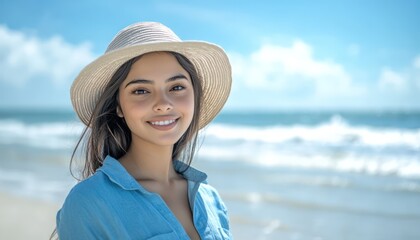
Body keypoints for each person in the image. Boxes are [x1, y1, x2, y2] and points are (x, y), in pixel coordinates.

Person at [55, 22, 232, 239]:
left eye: (176, 87)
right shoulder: (89, 202)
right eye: (141, 90)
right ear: (118, 105)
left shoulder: (211, 200)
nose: (163, 103)